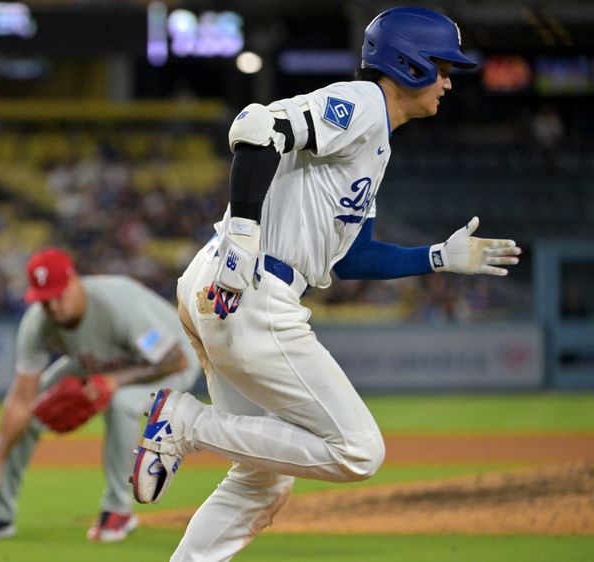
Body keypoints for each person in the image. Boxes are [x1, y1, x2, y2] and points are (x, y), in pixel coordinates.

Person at [131, 6, 522, 561]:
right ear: (406, 64)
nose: (447, 80)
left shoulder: (377, 142)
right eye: (440, 66)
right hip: (252, 287)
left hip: (226, 285)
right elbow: (255, 128)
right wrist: (244, 228)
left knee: (263, 479)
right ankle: (184, 422)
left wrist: (435, 257)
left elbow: (353, 256)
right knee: (358, 451)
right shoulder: (362, 105)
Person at [0, 247, 200, 542]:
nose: (53, 306)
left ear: (74, 282)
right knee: (36, 405)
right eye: (45, 300)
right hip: (99, 362)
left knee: (121, 403)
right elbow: (20, 400)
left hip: (172, 361)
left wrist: (113, 381)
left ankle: (118, 509)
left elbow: (174, 360)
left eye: (59, 295)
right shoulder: (38, 323)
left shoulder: (116, 305)